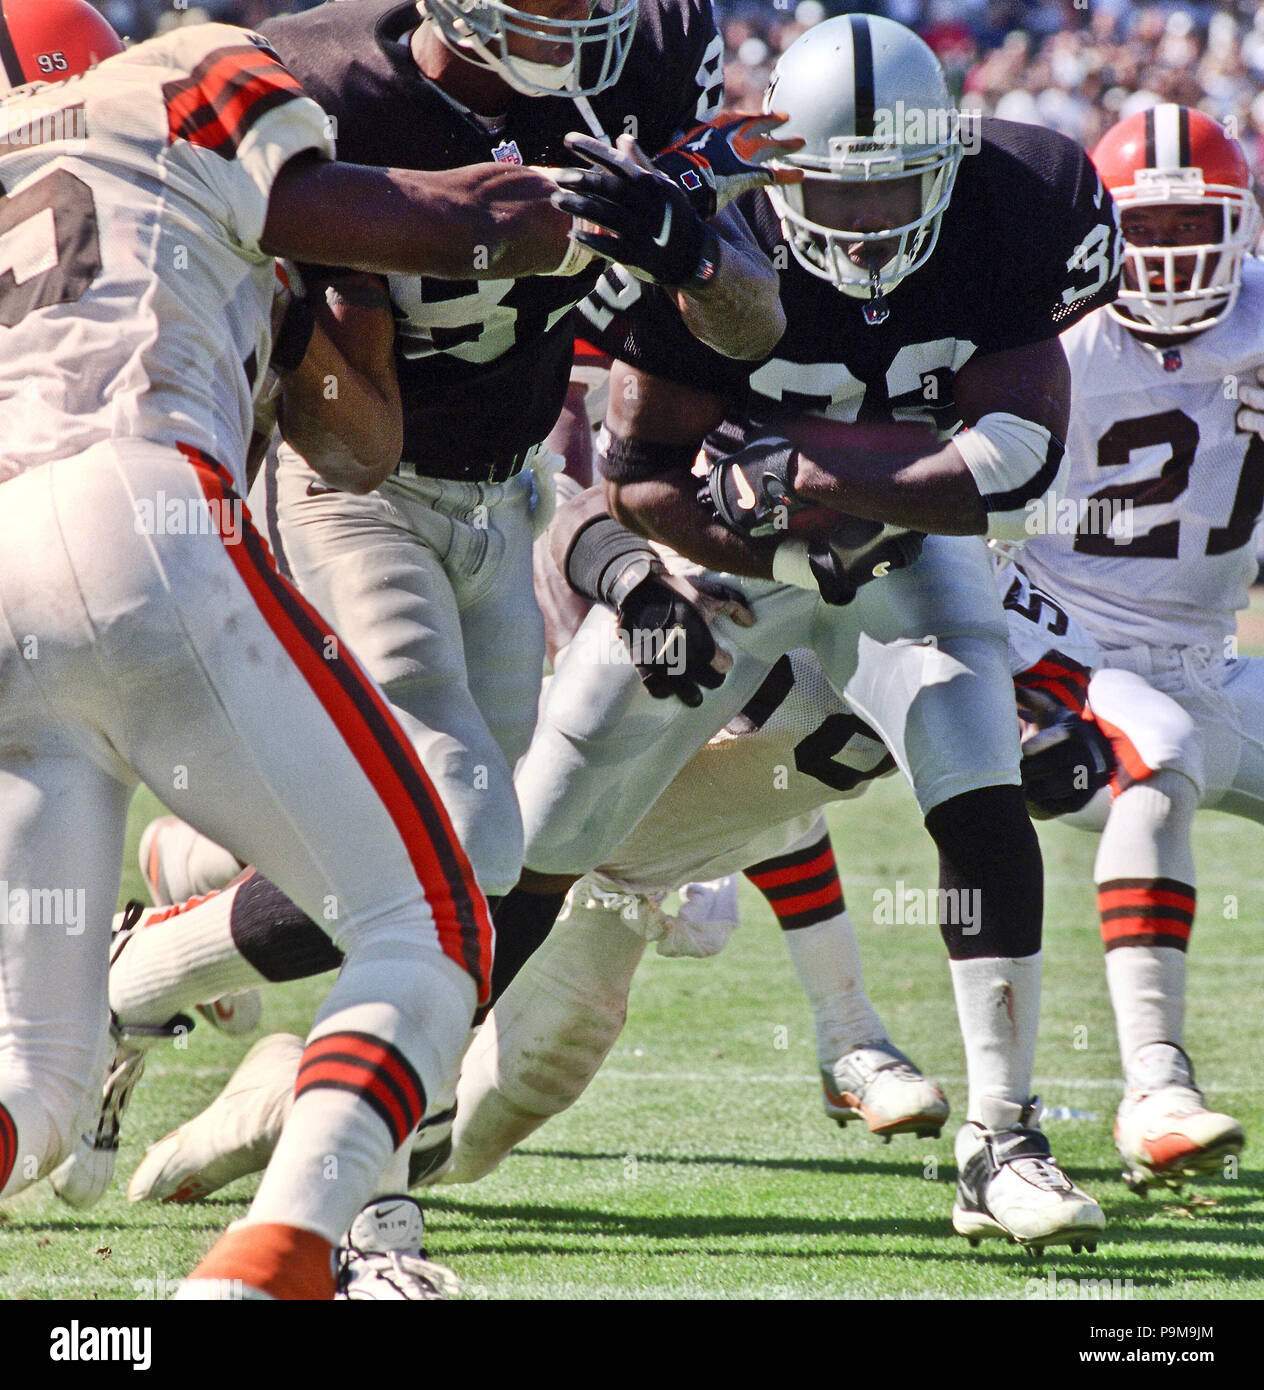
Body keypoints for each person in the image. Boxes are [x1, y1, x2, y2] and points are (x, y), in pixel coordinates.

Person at [0, 0, 635, 1301]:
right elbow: (450, 238)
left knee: (32, 1080)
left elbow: (346, 430)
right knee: (435, 920)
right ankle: (279, 1258)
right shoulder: (189, 70)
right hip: (140, 510)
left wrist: (284, 319)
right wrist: (585, 209)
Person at [495, 13, 1126, 1252]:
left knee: (974, 761)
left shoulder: (1024, 198)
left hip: (900, 540)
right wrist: (782, 537)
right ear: (773, 177)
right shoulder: (696, 228)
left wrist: (818, 474)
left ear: (947, 162)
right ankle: (396, 1104)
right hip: (725, 553)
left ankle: (1002, 1135)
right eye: (841, 191)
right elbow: (637, 477)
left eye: (900, 184)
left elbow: (1014, 457)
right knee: (546, 819)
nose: (873, 220)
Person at [1008, 104, 1261, 1194]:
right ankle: (1154, 1085)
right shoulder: (1047, 333)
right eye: (1144, 230)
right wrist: (1029, 686)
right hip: (1075, 642)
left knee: (1174, 731)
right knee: (1152, 755)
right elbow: (968, 532)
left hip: (1207, 651)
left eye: (1191, 228)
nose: (1168, 256)